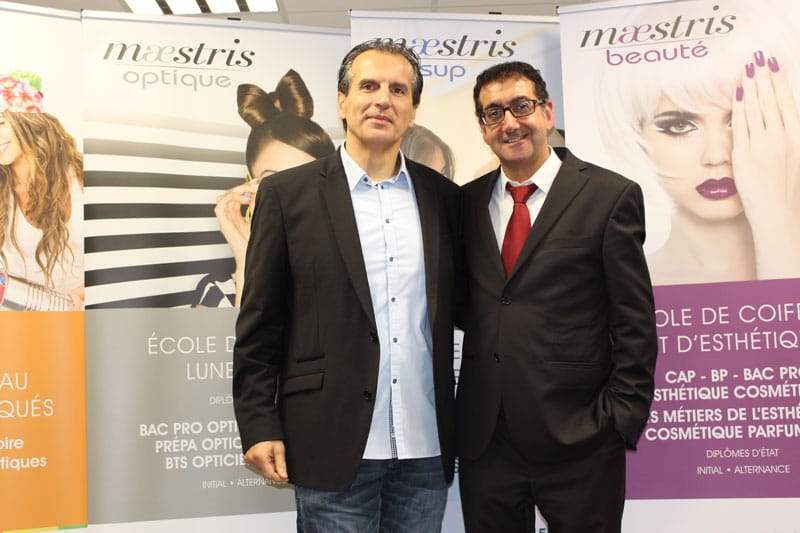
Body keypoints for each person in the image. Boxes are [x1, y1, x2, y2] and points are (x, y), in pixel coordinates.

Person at [233, 39, 461, 532]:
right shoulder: (287, 194)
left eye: (398, 90)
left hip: (425, 447)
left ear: (413, 110)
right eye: (369, 86)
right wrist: (258, 423)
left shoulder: (445, 199)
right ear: (342, 101)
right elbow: (260, 323)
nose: (383, 100)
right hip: (329, 440)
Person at [455, 61, 658, 532]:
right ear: (483, 129)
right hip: (488, 443)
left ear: (546, 112)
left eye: (521, 106)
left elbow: (634, 323)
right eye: (494, 113)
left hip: (580, 438)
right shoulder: (464, 204)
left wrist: (617, 419)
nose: (510, 123)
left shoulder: (608, 197)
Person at [595, 3, 800, 285]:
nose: (716, 155)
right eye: (679, 126)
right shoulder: (625, 286)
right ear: (637, 135)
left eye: (740, 119)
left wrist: (778, 223)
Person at [193, 71, 335, 307]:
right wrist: (248, 268)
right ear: (248, 189)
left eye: (306, 181)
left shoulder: (357, 283)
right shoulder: (220, 294)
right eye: (273, 181)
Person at [0, 72, 83, 310]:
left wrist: (81, 295)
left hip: (77, 312)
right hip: (16, 314)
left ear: (28, 121)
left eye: (1, 123)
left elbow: (112, 255)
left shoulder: (79, 178)